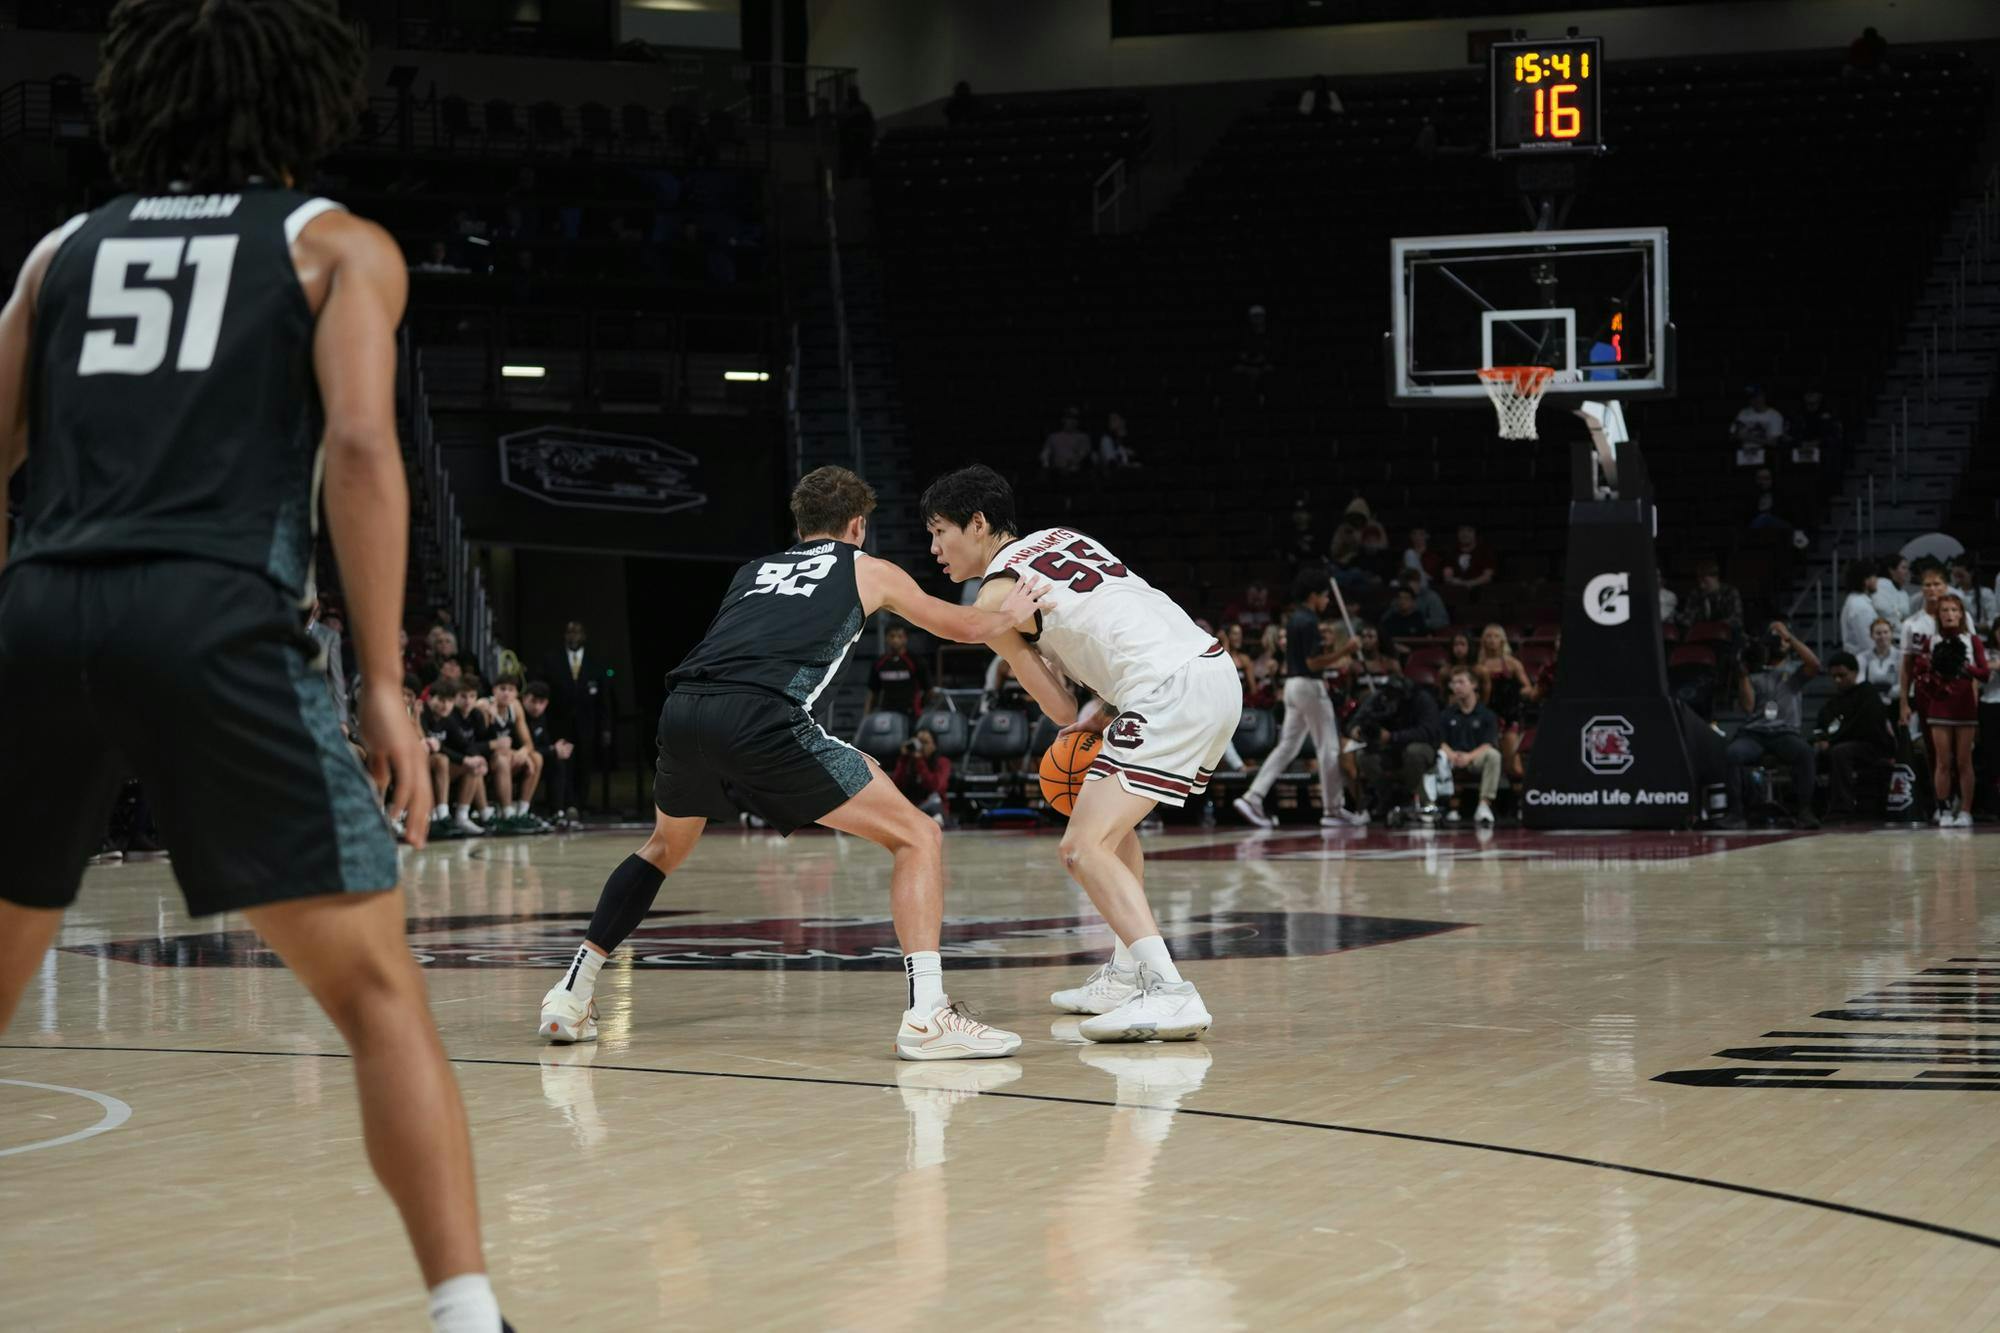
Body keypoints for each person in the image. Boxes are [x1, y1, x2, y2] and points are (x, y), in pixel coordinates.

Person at [0, 3, 508, 1327]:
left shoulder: (59, 254)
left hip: (39, 607)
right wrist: (388, 682)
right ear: (307, 102)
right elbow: (356, 449)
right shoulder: (332, 244)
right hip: (214, 614)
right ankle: (466, 1314)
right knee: (377, 989)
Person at [537, 466, 1049, 1059]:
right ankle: (928, 1015)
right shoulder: (867, 568)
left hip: (683, 711)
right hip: (761, 719)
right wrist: (1014, 613)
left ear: (801, 525)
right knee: (918, 836)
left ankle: (569, 995)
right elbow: (957, 625)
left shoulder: (751, 571)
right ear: (858, 525)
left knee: (662, 848)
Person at [925, 464, 1240, 1042]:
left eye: (940, 530)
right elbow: (1116, 625)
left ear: (977, 524)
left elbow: (1060, 711)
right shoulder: (1067, 538)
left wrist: (1024, 655)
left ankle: (1171, 992)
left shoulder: (997, 593)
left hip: (1167, 689)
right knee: (1114, 835)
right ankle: (1126, 973)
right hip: (1210, 669)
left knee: (1081, 847)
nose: (934, 546)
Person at [1234, 571, 1362, 830]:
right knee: (1329, 747)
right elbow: (1313, 662)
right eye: (1325, 596)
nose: (1327, 601)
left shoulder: (1294, 619)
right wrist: (1345, 651)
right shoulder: (1309, 621)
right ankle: (1333, 809)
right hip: (1309, 685)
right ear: (1313, 596)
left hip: (1292, 685)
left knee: (1288, 747)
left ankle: (1253, 797)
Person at [1724, 622, 1821, 829]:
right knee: (1733, 753)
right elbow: (1748, 707)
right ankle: (1736, 813)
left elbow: (1815, 665)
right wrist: (1741, 675)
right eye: (1774, 637)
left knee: (1805, 752)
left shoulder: (1795, 670)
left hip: (1784, 733)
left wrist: (1790, 636)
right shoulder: (1754, 670)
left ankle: (1804, 811)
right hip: (1754, 734)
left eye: (1782, 639)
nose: (1779, 641)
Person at [1917, 594, 1988, 827]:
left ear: (1961, 614)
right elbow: (1920, 669)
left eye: (1953, 610)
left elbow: (1985, 673)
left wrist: (1963, 666)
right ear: (1938, 615)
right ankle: (1944, 809)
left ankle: (1966, 811)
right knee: (1942, 761)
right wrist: (1933, 667)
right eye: (1944, 610)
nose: (1949, 614)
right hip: (1940, 703)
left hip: (1965, 703)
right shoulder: (1933, 640)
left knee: (1963, 761)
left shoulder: (1972, 640)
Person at [1814, 652, 1895, 821]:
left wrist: (1832, 740)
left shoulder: (1867, 693)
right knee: (1811, 753)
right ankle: (1812, 808)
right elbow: (1822, 724)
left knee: (1840, 751)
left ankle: (1842, 808)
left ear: (1854, 673)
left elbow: (1864, 725)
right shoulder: (1833, 702)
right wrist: (1821, 739)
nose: (1837, 680)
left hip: (1872, 746)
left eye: (1842, 675)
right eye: (1834, 676)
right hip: (1844, 745)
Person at [539, 619, 611, 805]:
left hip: (587, 722)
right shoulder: (551, 659)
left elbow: (604, 699)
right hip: (559, 722)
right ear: (565, 635)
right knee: (561, 762)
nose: (573, 636)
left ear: (583, 636)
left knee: (584, 764)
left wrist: (605, 728)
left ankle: (580, 804)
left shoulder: (596, 662)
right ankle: (560, 804)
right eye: (570, 632)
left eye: (577, 632)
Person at [1437, 666, 1502, 826]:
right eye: (1453, 683)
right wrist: (1451, 754)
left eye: (1461, 682)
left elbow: (1488, 743)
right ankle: (1438, 806)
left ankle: (1484, 805)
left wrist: (1468, 757)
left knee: (1494, 755)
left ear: (1474, 685)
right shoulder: (1446, 714)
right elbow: (1439, 741)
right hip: (1451, 758)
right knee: (1437, 754)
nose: (1457, 686)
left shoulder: (1487, 715)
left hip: (1474, 758)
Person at [1475, 623, 1536, 781]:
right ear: (1483, 641)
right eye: (1488, 636)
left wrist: (1526, 693)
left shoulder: (1512, 664)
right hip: (1486, 714)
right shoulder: (1478, 666)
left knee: (1511, 760)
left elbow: (1526, 687)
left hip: (1509, 714)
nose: (1492, 640)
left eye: (1495, 636)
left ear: (1502, 640)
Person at [1898, 563, 1951, 739]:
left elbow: (1972, 659)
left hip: (1956, 690)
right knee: (1931, 746)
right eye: (1927, 585)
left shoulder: (1961, 617)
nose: (1932, 589)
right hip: (1925, 691)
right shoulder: (1911, 624)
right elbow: (1906, 667)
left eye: (1937, 584)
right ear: (1921, 589)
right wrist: (1904, 703)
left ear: (1946, 587)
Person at [483, 674, 543, 831]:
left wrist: (522, 753)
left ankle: (522, 811)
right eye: (502, 689)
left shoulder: (515, 706)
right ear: (494, 690)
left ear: (516, 693)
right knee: (502, 758)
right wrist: (488, 717)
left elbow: (528, 743)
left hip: (506, 755)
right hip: (485, 758)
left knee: (536, 758)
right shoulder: (483, 705)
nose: (506, 693)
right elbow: (476, 741)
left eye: (511, 690)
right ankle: (507, 813)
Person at [521, 681, 576, 825]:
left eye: (541, 702)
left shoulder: (542, 718)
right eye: (533, 701)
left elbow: (542, 745)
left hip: (536, 757)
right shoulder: (520, 716)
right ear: (524, 698)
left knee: (558, 761)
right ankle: (525, 811)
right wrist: (552, 750)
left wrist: (556, 750)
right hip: (521, 760)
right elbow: (526, 747)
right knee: (538, 758)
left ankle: (558, 811)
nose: (537, 706)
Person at [865, 622, 930, 720]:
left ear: (906, 639)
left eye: (900, 636)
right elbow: (873, 692)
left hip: (911, 714)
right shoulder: (879, 663)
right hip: (887, 714)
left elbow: (928, 690)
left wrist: (922, 709)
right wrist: (866, 716)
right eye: (892, 636)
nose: (895, 640)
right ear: (886, 638)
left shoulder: (916, 661)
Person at [892, 728, 952, 819]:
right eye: (918, 742)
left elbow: (935, 786)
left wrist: (920, 761)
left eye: (925, 742)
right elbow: (896, 786)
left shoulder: (943, 762)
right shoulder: (908, 761)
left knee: (935, 800)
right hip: (912, 807)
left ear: (934, 746)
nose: (921, 746)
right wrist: (903, 759)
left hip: (933, 808)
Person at [1728, 386, 1785, 463]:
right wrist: (1737, 434)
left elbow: (1774, 443)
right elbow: (1732, 436)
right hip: (1744, 454)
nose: (1755, 400)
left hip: (1765, 455)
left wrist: (1748, 437)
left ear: (1764, 397)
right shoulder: (1743, 413)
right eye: (1752, 397)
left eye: (1758, 396)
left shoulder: (1774, 415)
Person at [1840, 559, 1882, 658]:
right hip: (1863, 662)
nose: (1877, 580)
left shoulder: (1856, 601)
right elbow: (1869, 643)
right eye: (1874, 576)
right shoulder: (1860, 606)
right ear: (1866, 580)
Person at [1441, 523, 1496, 595]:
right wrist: (1463, 584)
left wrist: (1471, 583)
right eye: (1462, 530)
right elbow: (1447, 576)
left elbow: (1487, 577)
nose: (1465, 534)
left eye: (1469, 531)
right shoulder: (1452, 552)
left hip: (1482, 591)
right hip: (1457, 591)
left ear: (1475, 534)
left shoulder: (1485, 551)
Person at [1039, 405, 1093, 475]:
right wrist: (1045, 464)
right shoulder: (1053, 437)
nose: (1073, 421)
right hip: (1055, 473)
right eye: (1069, 418)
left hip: (1075, 473)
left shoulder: (1083, 437)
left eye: (1075, 419)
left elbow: (1082, 454)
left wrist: (1068, 464)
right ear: (1063, 419)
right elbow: (1045, 454)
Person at [1948, 557, 1997, 630]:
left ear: (1971, 573)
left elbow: (1994, 620)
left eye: (1961, 576)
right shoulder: (1952, 593)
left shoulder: (1986, 593)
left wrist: (1975, 627)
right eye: (1955, 576)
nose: (1958, 580)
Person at [1863, 617, 1901, 707]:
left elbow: (1902, 687)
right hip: (1871, 704)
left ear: (1891, 634)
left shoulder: (1900, 656)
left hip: (1895, 704)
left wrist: (1888, 693)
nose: (1882, 636)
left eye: (1886, 632)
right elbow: (1860, 685)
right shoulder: (1863, 657)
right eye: (1878, 633)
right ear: (1872, 635)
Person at [1874, 554, 1914, 624]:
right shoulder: (1881, 585)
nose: (1907, 572)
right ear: (1891, 570)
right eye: (1904, 568)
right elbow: (1885, 611)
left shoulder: (1902, 592)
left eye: (1908, 568)